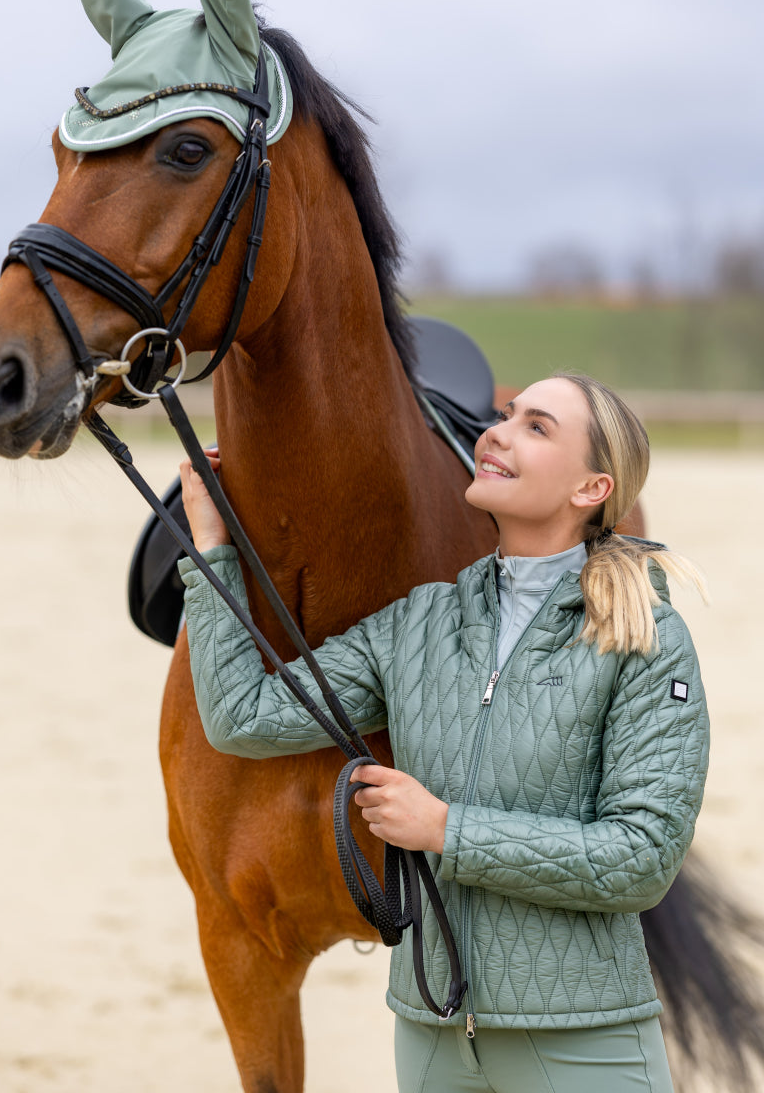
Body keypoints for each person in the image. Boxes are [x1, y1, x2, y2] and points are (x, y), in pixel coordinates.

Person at [178, 373, 709, 1093]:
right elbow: (243, 716)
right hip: (431, 1038)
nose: (497, 431)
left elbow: (642, 858)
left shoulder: (645, 637)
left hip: (585, 1041)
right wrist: (212, 548)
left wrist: (443, 829)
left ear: (592, 489)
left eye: (537, 427)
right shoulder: (418, 623)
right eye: (506, 416)